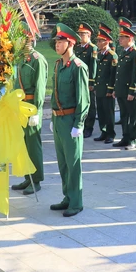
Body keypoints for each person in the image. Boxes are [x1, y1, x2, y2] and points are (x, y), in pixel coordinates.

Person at [49, 24, 90, 217]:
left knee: (73, 164)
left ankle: (76, 202)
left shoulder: (78, 67)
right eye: (56, 42)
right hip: (58, 120)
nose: (57, 45)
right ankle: (67, 197)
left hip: (71, 120)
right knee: (63, 163)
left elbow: (84, 99)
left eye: (60, 42)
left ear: (70, 43)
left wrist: (79, 124)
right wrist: (52, 117)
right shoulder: (58, 65)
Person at [10, 34, 48, 195]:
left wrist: (37, 111)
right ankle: (28, 177)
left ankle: (36, 179)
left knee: (33, 145)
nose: (19, 42)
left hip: (31, 107)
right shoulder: (20, 59)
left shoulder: (37, 59)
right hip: (20, 107)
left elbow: (40, 87)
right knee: (23, 144)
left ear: (30, 40)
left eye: (22, 39)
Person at [113, 26, 136, 150]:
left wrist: (132, 91)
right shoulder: (123, 51)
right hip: (121, 90)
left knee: (132, 115)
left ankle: (133, 139)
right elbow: (119, 73)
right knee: (124, 115)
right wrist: (115, 89)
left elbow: (135, 74)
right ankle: (125, 137)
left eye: (122, 38)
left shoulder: (135, 53)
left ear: (130, 38)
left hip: (129, 91)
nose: (120, 40)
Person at [93, 28, 117, 144]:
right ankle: (104, 131)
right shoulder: (99, 54)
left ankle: (111, 133)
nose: (97, 43)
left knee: (109, 111)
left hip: (107, 88)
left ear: (106, 42)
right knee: (101, 111)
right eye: (97, 41)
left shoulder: (112, 55)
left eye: (99, 41)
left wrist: (110, 89)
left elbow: (113, 74)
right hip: (100, 87)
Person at [74, 23, 98, 138]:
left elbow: (93, 67)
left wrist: (91, 82)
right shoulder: (78, 47)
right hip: (78, 80)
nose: (80, 36)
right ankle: (81, 125)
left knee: (90, 105)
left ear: (88, 35)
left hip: (87, 81)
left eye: (82, 34)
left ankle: (89, 127)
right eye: (79, 34)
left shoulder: (92, 48)